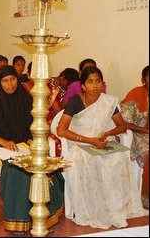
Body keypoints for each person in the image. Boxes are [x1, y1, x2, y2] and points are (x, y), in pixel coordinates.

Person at [56, 66, 146, 229]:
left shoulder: (108, 101)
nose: (95, 86)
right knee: (87, 160)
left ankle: (114, 206)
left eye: (98, 81)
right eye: (90, 82)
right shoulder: (75, 101)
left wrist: (107, 133)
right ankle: (93, 208)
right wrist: (89, 140)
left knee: (118, 157)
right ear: (83, 85)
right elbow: (61, 130)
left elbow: (122, 126)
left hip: (102, 141)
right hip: (80, 143)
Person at [0, 65, 64, 233]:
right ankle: (19, 221)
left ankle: (44, 217)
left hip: (24, 145)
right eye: (5, 81)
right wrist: (2, 141)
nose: (10, 84)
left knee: (45, 165)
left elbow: (35, 123)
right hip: (1, 149)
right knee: (21, 171)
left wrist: (34, 140)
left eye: (12, 79)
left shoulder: (25, 97)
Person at [121, 65, 149, 208]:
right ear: (144, 80)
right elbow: (124, 121)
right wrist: (144, 130)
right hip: (139, 134)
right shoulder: (136, 93)